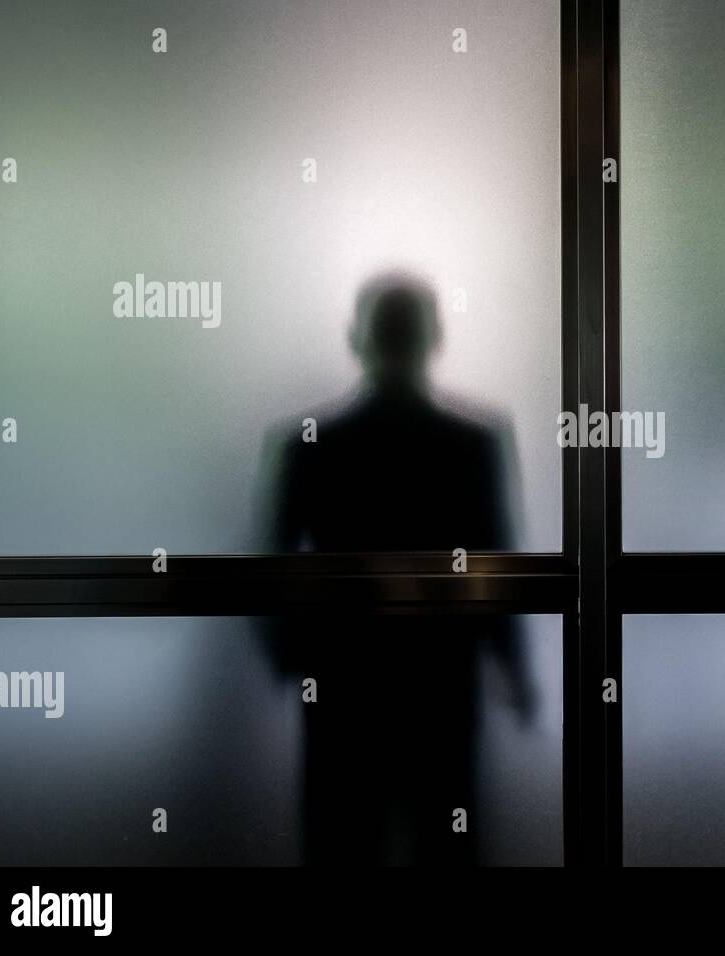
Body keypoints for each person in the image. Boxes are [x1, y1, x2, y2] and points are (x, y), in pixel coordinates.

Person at [262, 273, 534, 865]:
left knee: (343, 842)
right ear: (434, 337)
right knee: (446, 842)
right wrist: (513, 668)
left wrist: (288, 658)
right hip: (440, 677)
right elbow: (494, 562)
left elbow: (273, 566)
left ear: (355, 338)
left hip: (344, 682)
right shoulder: (473, 442)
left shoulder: (309, 444)